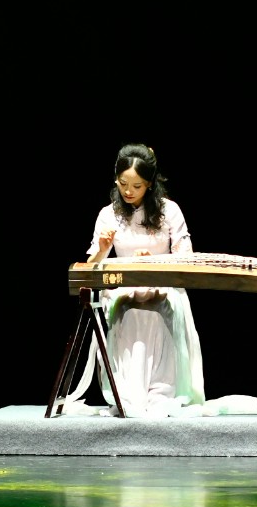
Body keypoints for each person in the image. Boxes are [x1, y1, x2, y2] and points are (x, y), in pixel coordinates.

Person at [65, 143, 207, 417]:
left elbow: (186, 258)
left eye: (137, 186)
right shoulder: (108, 214)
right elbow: (92, 265)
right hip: (124, 289)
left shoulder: (169, 211)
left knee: (157, 305)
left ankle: (161, 391)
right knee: (131, 307)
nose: (128, 191)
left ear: (150, 184)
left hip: (163, 287)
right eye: (123, 184)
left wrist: (153, 261)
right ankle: (128, 393)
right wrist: (103, 249)